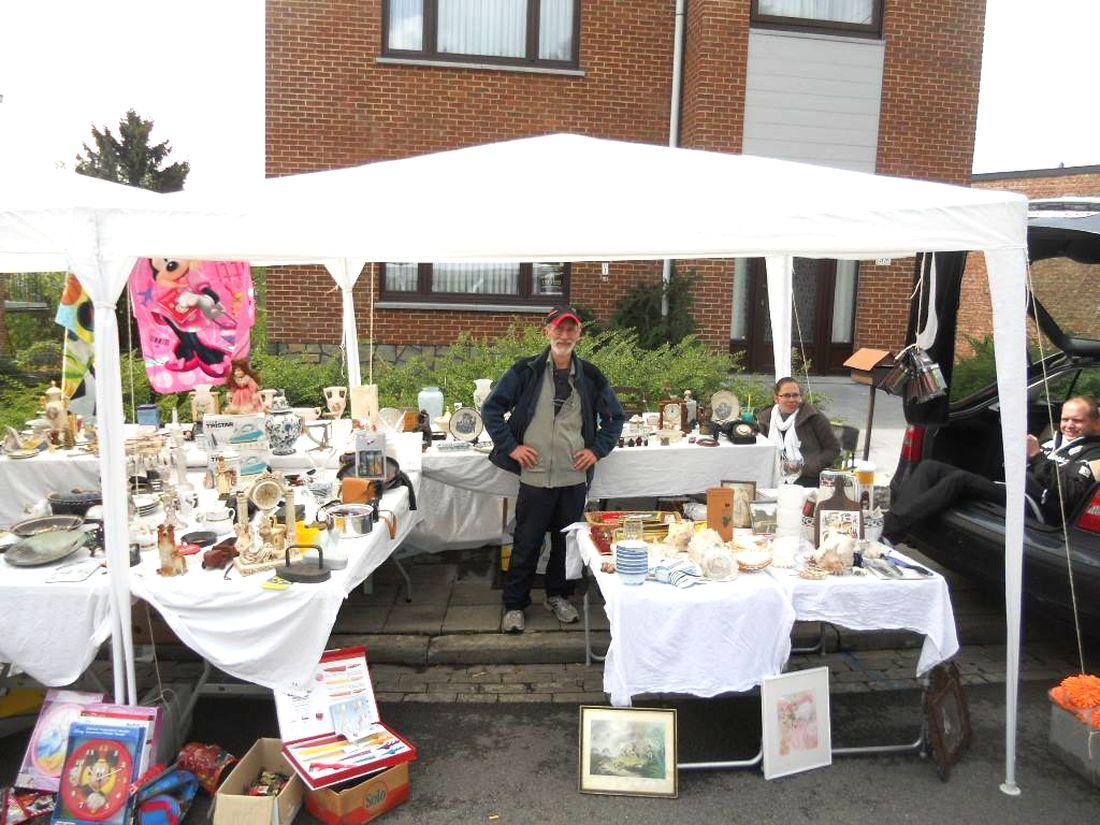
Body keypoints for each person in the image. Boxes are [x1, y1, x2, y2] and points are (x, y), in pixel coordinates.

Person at [482, 305, 625, 634]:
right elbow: (492, 409)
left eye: (570, 329)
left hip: (573, 476)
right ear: (546, 331)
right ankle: (515, 605)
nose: (564, 335)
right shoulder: (526, 371)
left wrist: (597, 450)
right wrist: (511, 447)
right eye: (558, 329)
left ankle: (558, 597)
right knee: (526, 541)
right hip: (534, 476)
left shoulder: (590, 375)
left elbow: (615, 416)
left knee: (567, 543)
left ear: (579, 334)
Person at [883, 395, 1100, 543]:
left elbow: (1070, 493)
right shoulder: (1053, 442)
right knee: (930, 467)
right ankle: (901, 526)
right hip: (1014, 491)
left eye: (1077, 420)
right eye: (1065, 419)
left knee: (959, 480)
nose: (1069, 425)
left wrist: (1036, 456)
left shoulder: (1093, 454)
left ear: (1095, 424)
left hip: (1039, 509)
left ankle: (889, 530)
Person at [758, 377, 840, 486]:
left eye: (795, 395)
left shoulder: (813, 416)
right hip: (773, 474)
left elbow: (833, 449)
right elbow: (760, 447)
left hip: (807, 477)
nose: (792, 400)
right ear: (776, 398)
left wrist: (808, 467)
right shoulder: (766, 417)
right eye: (786, 395)